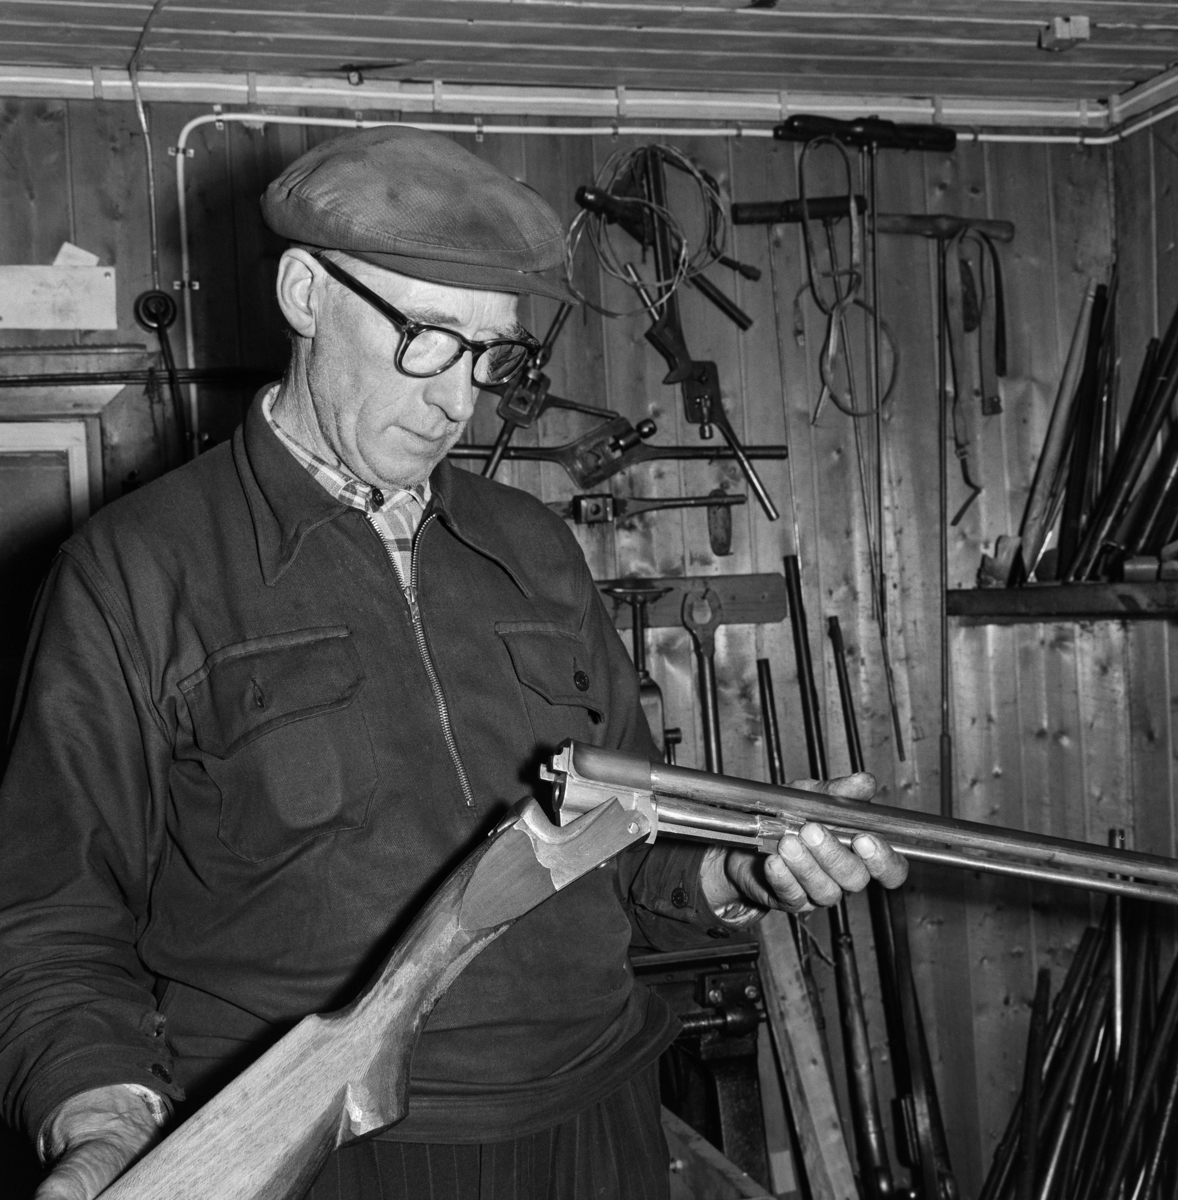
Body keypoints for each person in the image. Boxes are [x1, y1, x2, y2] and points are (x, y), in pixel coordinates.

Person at [0, 127, 906, 1200]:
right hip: (311, 1153)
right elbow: (53, 919)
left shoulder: (535, 550)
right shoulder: (135, 569)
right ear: (303, 292)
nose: (456, 400)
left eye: (493, 355)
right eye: (425, 337)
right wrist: (104, 1121)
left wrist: (747, 869)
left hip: (597, 1128)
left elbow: (619, 849)